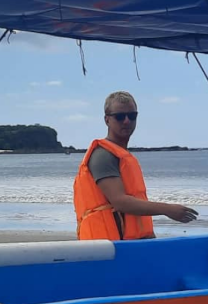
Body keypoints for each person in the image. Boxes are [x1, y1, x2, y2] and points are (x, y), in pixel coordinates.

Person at [74, 91, 198, 240]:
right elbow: (120, 202)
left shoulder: (123, 155)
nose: (126, 121)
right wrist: (168, 209)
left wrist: (148, 237)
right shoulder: (103, 156)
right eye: (119, 117)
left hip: (129, 245)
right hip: (106, 248)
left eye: (132, 116)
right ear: (107, 120)